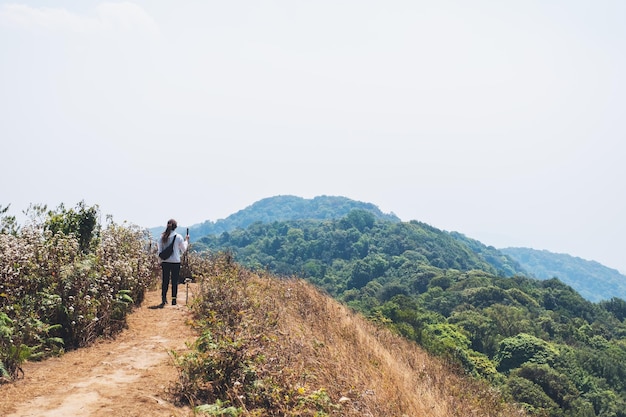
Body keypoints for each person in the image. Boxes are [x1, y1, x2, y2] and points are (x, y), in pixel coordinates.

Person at [157, 219, 189, 307]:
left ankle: (164, 299)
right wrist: (186, 241)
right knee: (174, 281)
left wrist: (160, 261)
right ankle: (174, 300)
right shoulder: (178, 237)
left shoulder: (162, 237)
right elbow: (183, 249)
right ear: (175, 227)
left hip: (165, 262)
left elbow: (159, 251)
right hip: (175, 262)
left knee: (165, 281)